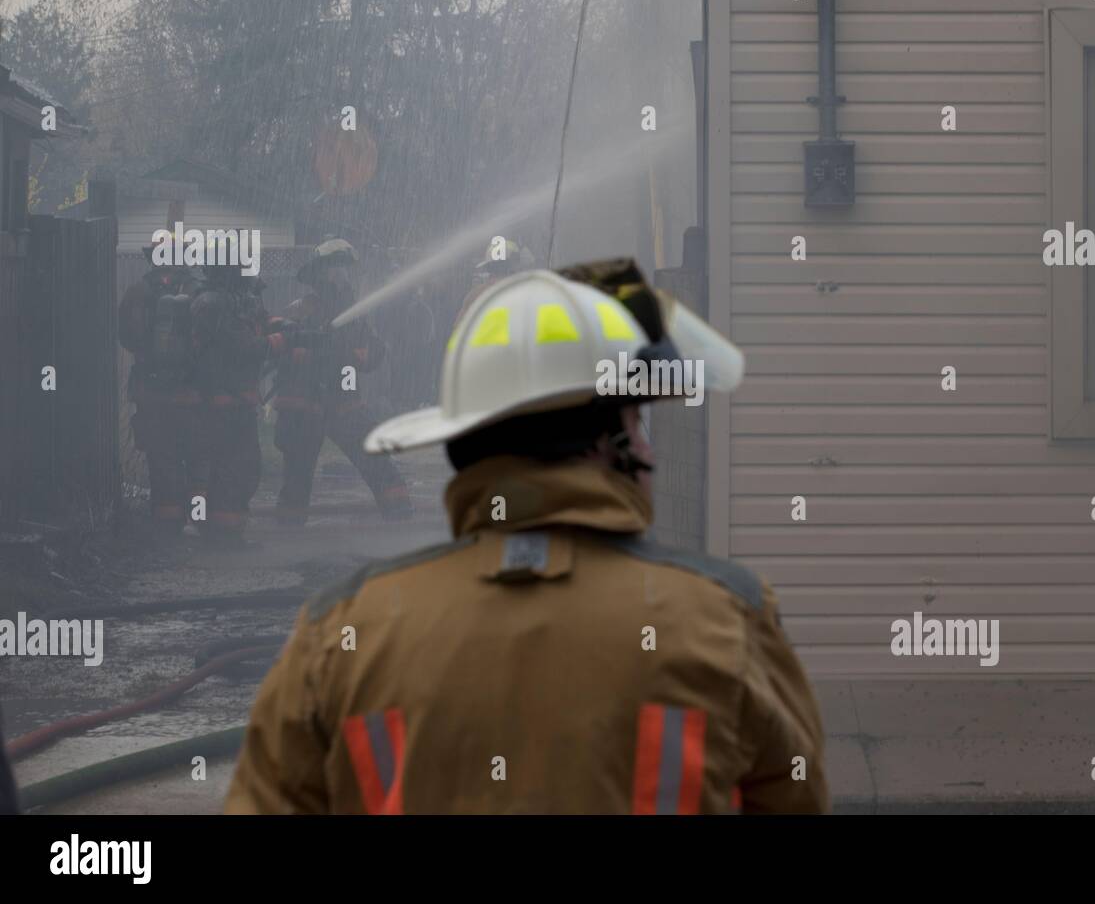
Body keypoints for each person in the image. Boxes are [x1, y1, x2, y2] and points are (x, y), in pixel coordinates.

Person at [226, 259, 828, 814]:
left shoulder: (337, 641)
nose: (646, 448)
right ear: (605, 442)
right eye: (634, 422)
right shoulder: (728, 623)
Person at [272, 239, 413, 524]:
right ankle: (289, 531)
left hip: (342, 400)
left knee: (374, 455)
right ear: (321, 273)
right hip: (305, 403)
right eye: (337, 270)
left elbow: (368, 357)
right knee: (297, 473)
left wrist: (371, 349)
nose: (344, 277)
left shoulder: (353, 315)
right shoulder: (301, 310)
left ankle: (399, 515)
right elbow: (285, 351)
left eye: (346, 270)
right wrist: (317, 346)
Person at [189, 254, 291, 545]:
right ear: (230, 272)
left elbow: (259, 319)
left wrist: (283, 325)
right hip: (222, 401)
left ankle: (220, 531)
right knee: (237, 469)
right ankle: (224, 535)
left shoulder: (228, 300)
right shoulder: (214, 304)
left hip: (232, 400)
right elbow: (243, 347)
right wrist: (283, 341)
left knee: (234, 469)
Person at [117, 235, 205, 538]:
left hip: (151, 391)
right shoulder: (196, 290)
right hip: (190, 390)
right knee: (195, 456)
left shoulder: (138, 291)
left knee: (161, 455)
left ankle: (166, 525)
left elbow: (127, 337)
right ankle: (199, 520)